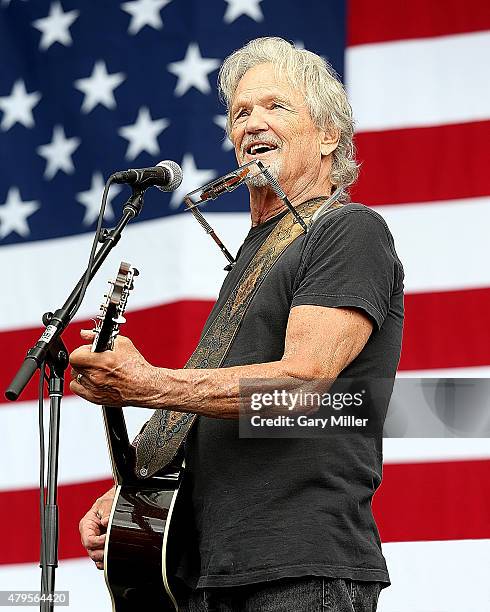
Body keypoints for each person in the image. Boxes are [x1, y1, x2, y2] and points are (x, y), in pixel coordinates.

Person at [70, 37, 404, 612]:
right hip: (204, 572)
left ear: (329, 136)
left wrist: (147, 383)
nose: (252, 122)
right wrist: (131, 492)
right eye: (240, 112)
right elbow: (219, 410)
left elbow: (301, 384)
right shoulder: (250, 256)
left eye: (276, 106)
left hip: (299, 568)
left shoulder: (348, 230)